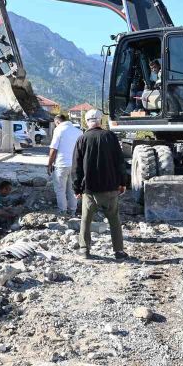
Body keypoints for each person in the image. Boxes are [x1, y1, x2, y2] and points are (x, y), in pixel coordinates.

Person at [71, 109, 128, 260]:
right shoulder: (111, 137)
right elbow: (120, 163)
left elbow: (76, 167)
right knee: (114, 220)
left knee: (86, 220)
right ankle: (119, 252)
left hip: (90, 190)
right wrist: (123, 182)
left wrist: (76, 188)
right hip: (110, 188)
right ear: (100, 121)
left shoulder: (82, 139)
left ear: (86, 122)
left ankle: (84, 250)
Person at [47, 114, 82, 215]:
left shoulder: (59, 130)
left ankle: (62, 211)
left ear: (57, 122)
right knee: (72, 189)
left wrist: (49, 164)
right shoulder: (79, 132)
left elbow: (53, 149)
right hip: (75, 165)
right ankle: (73, 211)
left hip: (61, 165)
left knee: (60, 189)